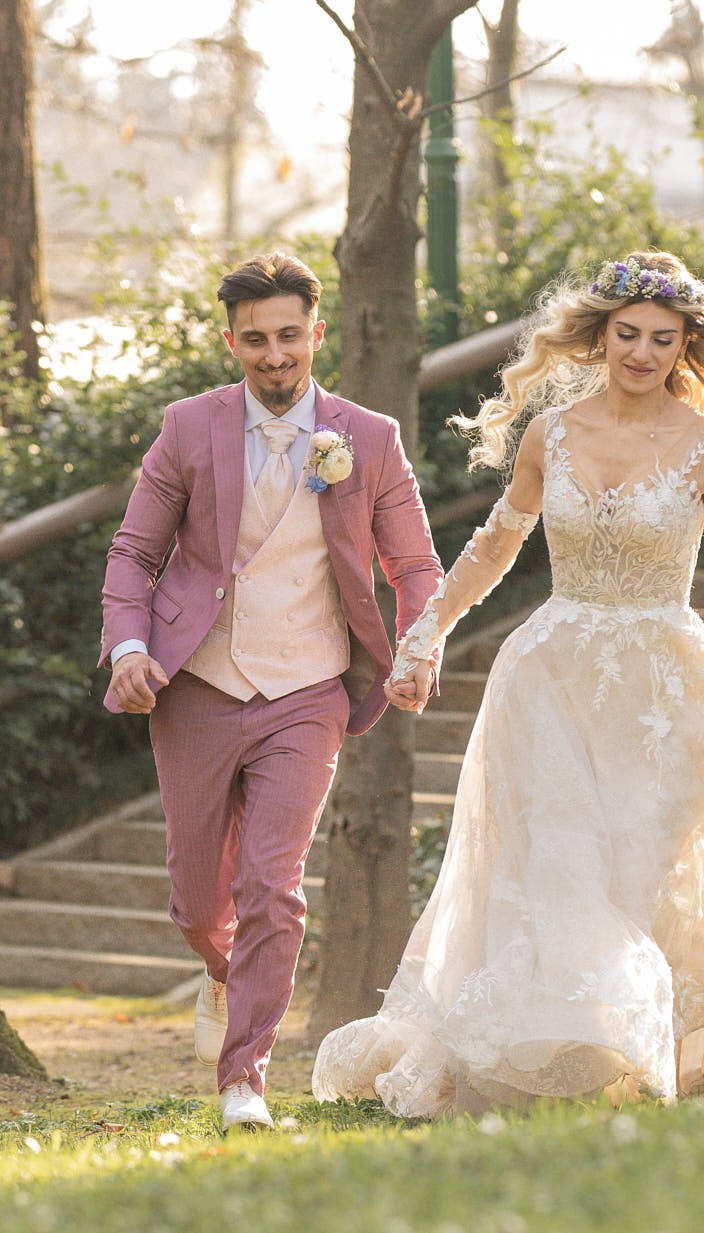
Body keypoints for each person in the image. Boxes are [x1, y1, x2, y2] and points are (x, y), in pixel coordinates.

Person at [312, 251, 704, 1117]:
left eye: (662, 339)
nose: (642, 353)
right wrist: (424, 633)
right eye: (628, 336)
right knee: (563, 864)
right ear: (599, 336)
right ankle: (564, 1053)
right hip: (551, 680)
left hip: (666, 691)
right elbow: (496, 546)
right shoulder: (555, 434)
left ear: (685, 346)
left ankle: (645, 1050)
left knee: (648, 870)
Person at [100, 252, 443, 1129]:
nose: (274, 354)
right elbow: (135, 553)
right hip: (201, 684)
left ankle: (244, 1075)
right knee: (197, 900)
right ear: (232, 343)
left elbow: (412, 563)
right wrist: (131, 646)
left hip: (310, 687)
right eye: (255, 339)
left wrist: (418, 647)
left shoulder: (367, 438)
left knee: (272, 882)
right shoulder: (187, 427)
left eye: (289, 335)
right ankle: (223, 969)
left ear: (316, 334)